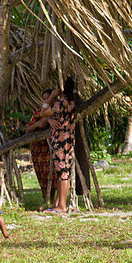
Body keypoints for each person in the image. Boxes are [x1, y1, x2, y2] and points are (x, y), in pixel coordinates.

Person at [46, 77, 77, 214]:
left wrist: (51, 96)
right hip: (69, 141)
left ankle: (62, 206)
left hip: (60, 142)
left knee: (62, 173)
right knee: (63, 172)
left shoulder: (60, 103)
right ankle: (59, 203)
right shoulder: (72, 103)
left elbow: (42, 112)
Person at [26, 89, 57, 205]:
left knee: (53, 175)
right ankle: (46, 201)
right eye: (44, 99)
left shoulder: (57, 111)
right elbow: (28, 129)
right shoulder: (38, 113)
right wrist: (38, 124)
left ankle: (53, 200)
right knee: (41, 175)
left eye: (48, 98)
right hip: (38, 150)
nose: (45, 101)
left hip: (51, 149)